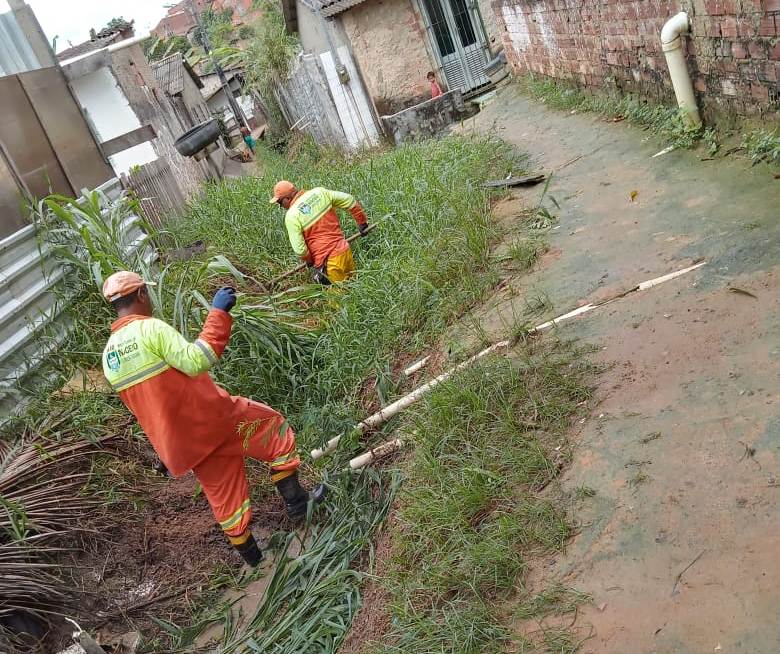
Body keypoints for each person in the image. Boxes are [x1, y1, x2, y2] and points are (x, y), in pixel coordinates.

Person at [100, 271, 325, 567]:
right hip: (214, 420)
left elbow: (141, 409)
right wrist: (218, 313)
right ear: (142, 294)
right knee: (274, 429)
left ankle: (256, 563)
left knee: (225, 499)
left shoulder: (108, 357)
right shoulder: (150, 329)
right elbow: (198, 361)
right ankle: (298, 504)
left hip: (183, 445)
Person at [270, 180, 369, 284]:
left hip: (329, 262)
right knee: (354, 287)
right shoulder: (319, 192)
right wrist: (362, 222)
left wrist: (309, 260)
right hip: (345, 251)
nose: (281, 206)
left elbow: (300, 250)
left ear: (288, 198)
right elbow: (349, 200)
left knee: (337, 297)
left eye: (280, 202)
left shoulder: (292, 215)